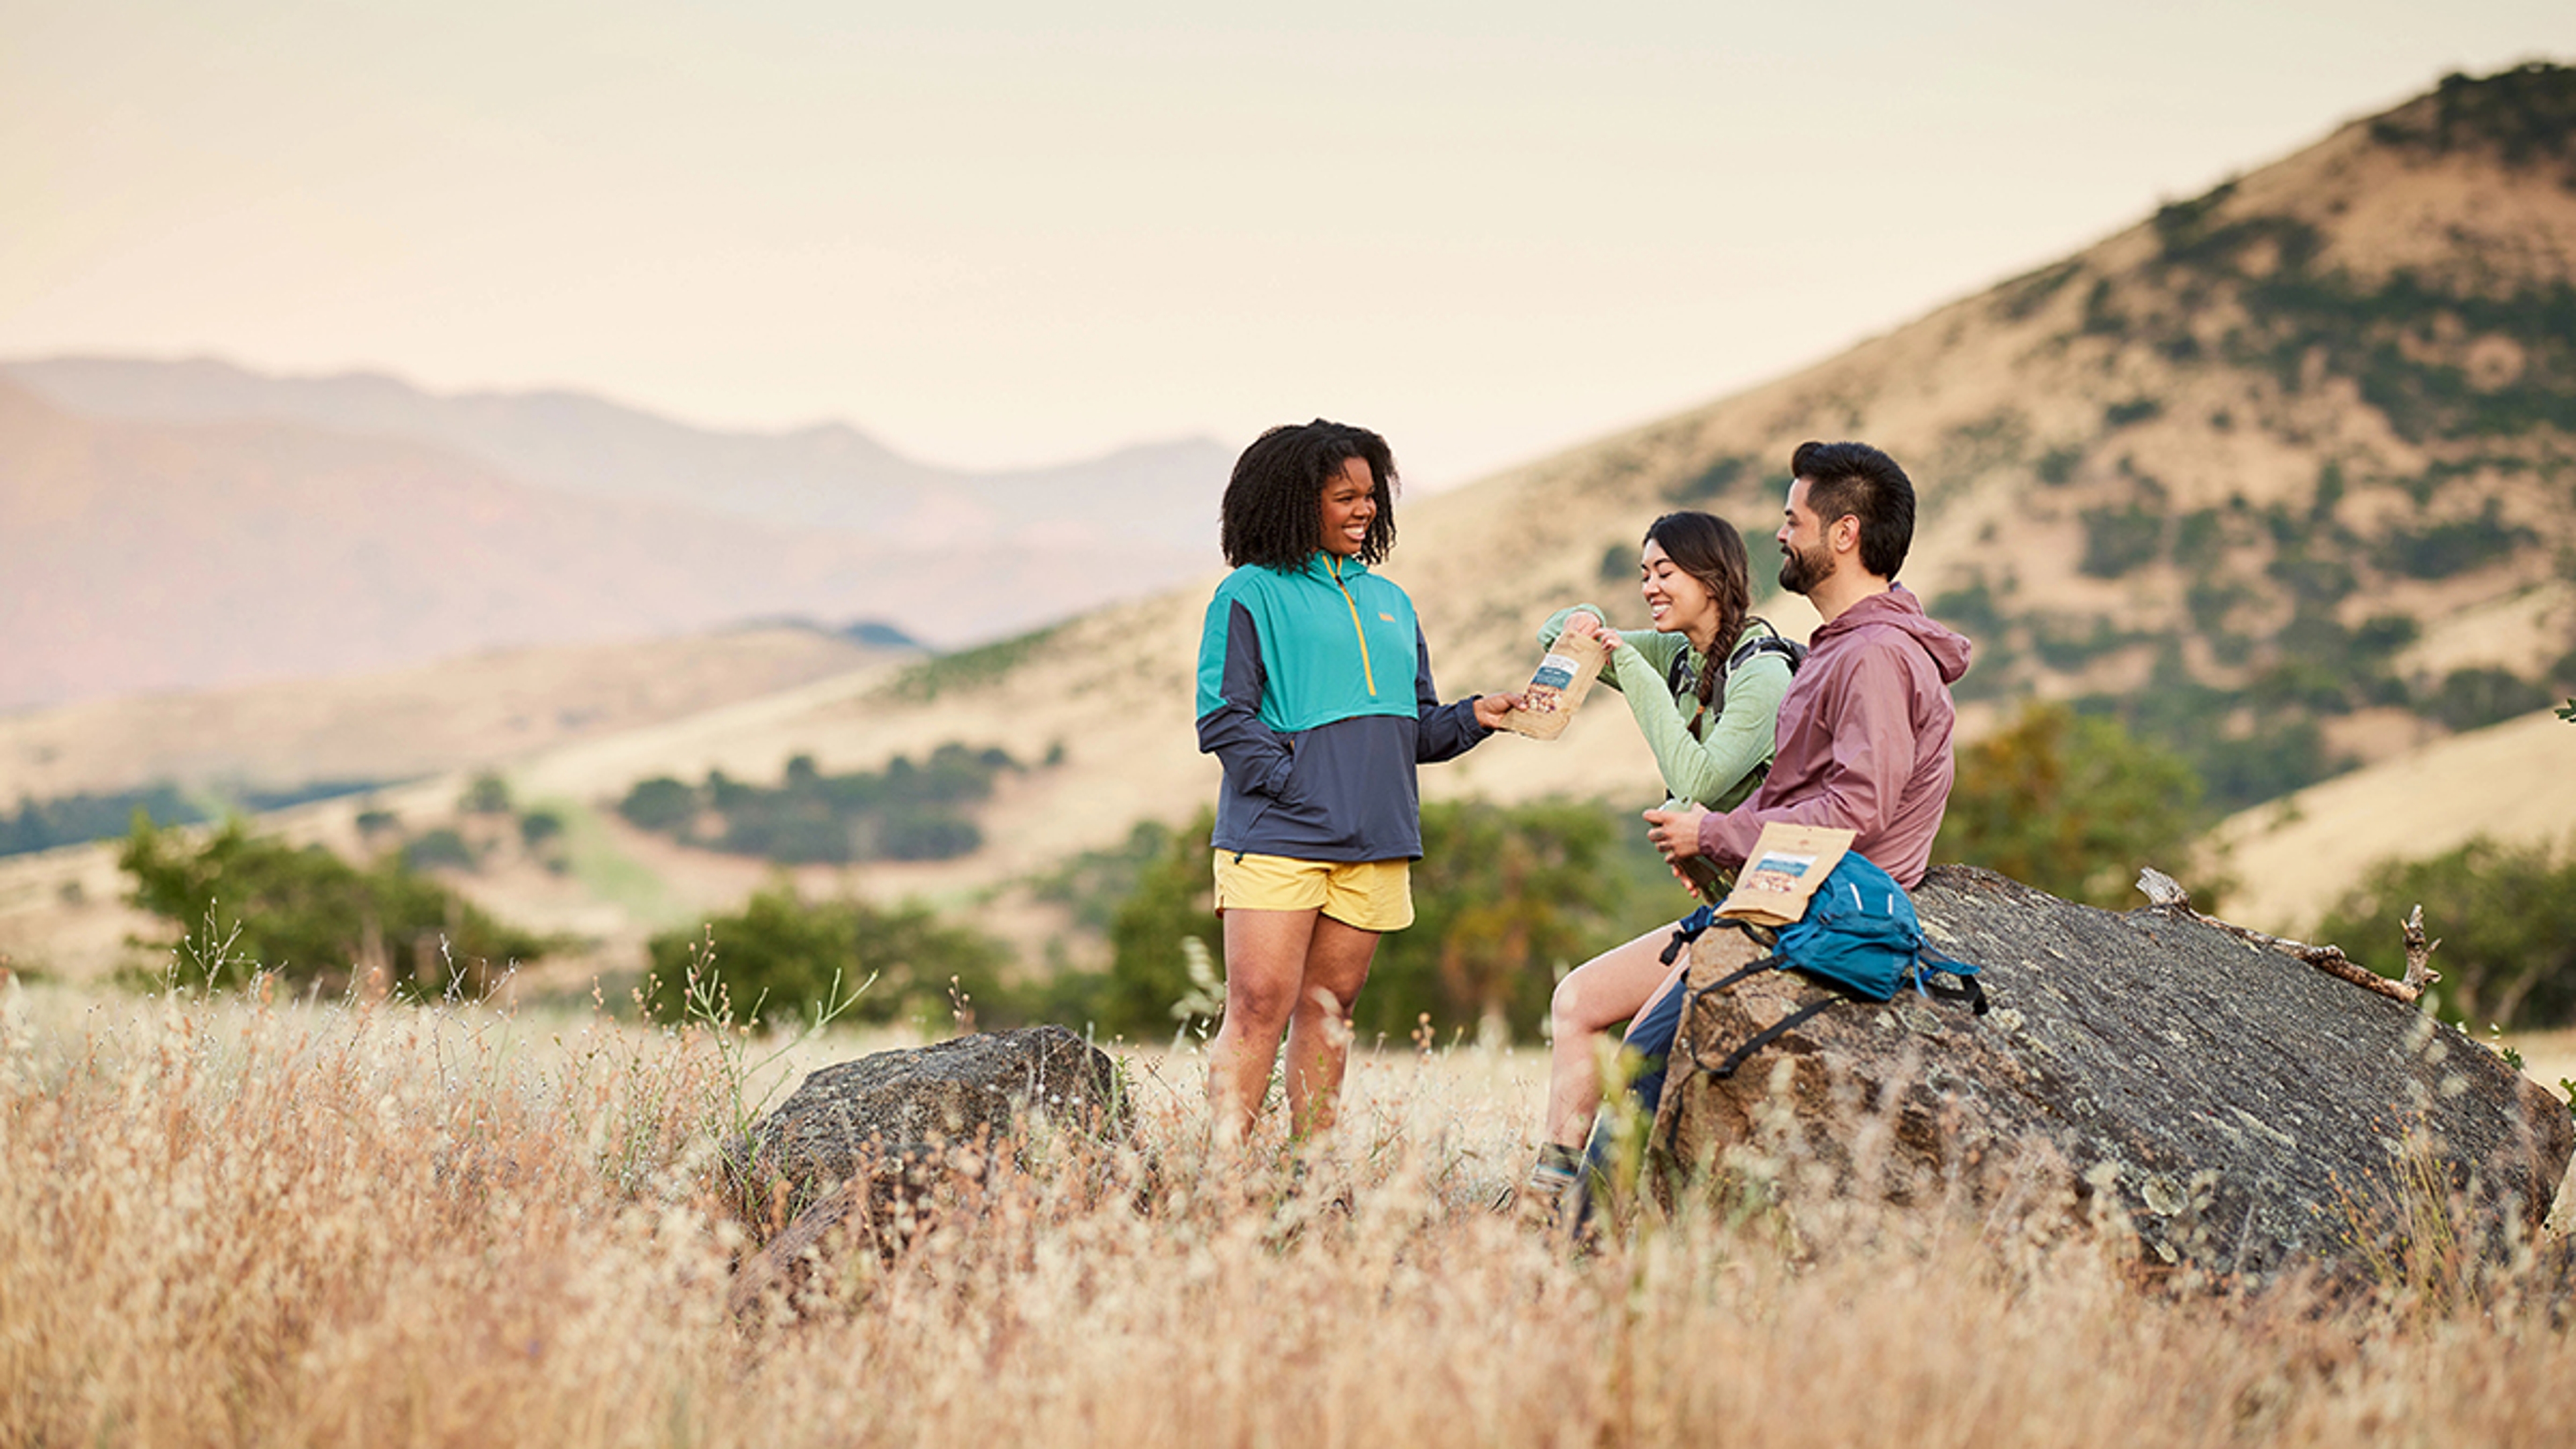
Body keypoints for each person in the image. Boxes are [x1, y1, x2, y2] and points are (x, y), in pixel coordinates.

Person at [1541, 439, 1970, 1224]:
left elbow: (1859, 808)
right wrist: (1723, 844)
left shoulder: (1873, 656)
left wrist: (1718, 833)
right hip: (1776, 891)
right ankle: (1555, 1217)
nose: (1778, 534)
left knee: (1644, 1053)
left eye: (1791, 518)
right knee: (1588, 1004)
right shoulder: (1841, 647)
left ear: (1843, 534)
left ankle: (1577, 1247)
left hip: (1820, 904)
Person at [1195, 419, 1519, 1147]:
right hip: (1278, 837)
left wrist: (1476, 716)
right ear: (1295, 502)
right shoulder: (1249, 594)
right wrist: (1300, 788)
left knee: (1330, 1010)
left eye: (1371, 496)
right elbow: (1223, 717)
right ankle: (1220, 1180)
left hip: (1376, 844)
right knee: (1257, 1005)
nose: (1365, 510)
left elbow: (1417, 730)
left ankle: (1310, 1178)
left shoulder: (1392, 604)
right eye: (1345, 497)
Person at [1511, 512, 1796, 1206]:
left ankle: (1601, 1209)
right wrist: (1583, 618)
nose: (1650, 588)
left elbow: (1698, 779)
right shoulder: (1685, 657)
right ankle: (1549, 1196)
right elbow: (1557, 637)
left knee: (1644, 1040)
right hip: (1716, 909)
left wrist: (1629, 663)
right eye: (1643, 574)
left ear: (1712, 578)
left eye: (1664, 572)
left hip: (1771, 905)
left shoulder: (1762, 674)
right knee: (1577, 1000)